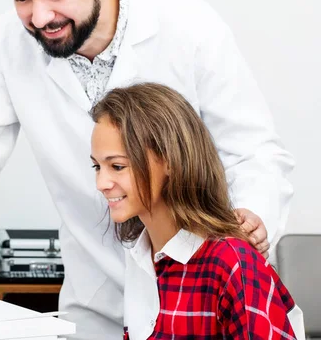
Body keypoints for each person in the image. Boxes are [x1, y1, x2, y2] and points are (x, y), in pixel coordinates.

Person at [0, 0, 295, 338]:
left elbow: (252, 151)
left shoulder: (187, 25)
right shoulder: (6, 44)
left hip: (199, 283)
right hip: (97, 295)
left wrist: (253, 216)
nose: (39, 16)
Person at [90, 83, 304, 339]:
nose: (101, 184)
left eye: (117, 166)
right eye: (97, 167)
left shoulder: (232, 263)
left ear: (169, 160)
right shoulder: (142, 257)